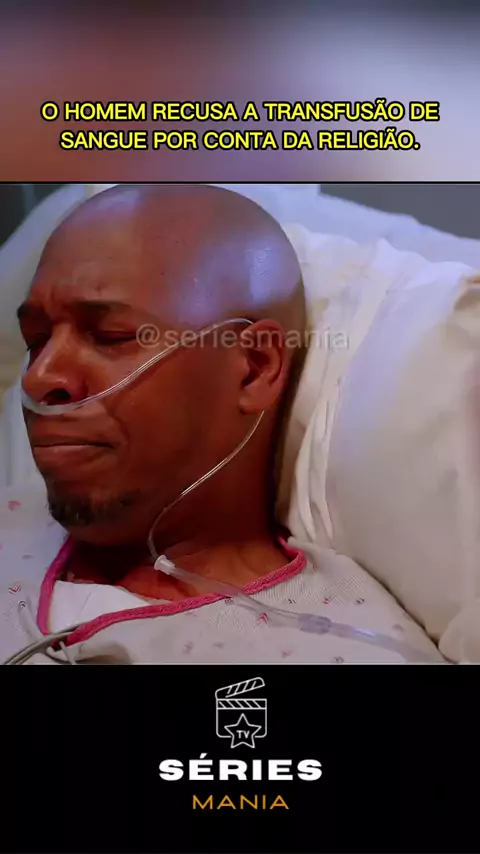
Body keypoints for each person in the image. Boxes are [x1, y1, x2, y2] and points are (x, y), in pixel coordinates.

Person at [0, 183, 444, 664]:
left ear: (253, 368)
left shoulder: (344, 646)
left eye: (110, 335)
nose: (39, 377)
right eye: (36, 340)